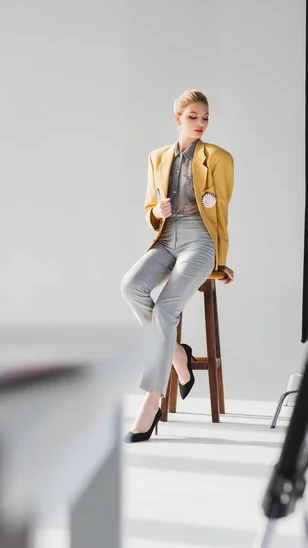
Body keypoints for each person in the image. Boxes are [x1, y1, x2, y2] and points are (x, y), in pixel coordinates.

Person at [121, 89, 234, 443]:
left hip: (199, 240)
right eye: (193, 117)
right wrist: (157, 212)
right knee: (131, 286)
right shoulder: (157, 157)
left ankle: (151, 401)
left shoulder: (218, 157)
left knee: (168, 307)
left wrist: (220, 262)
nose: (200, 123)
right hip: (166, 238)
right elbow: (148, 207)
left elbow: (221, 211)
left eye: (205, 118)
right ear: (178, 119)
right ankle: (177, 355)